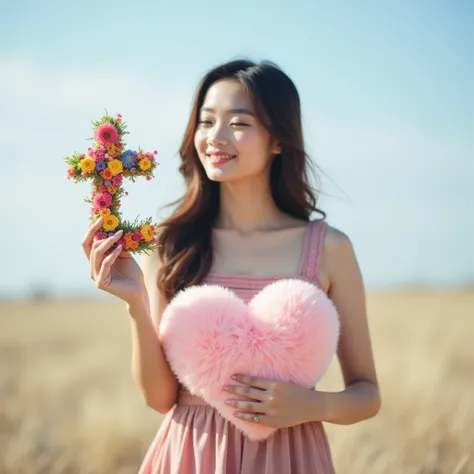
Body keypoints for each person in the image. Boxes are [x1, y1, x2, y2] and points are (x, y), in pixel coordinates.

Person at [81, 59, 380, 474]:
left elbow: (367, 394)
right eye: (206, 122)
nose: (215, 137)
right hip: (190, 454)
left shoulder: (329, 248)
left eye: (239, 123)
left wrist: (311, 405)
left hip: (290, 458)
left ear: (278, 140)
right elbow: (159, 398)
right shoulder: (169, 245)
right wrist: (135, 305)